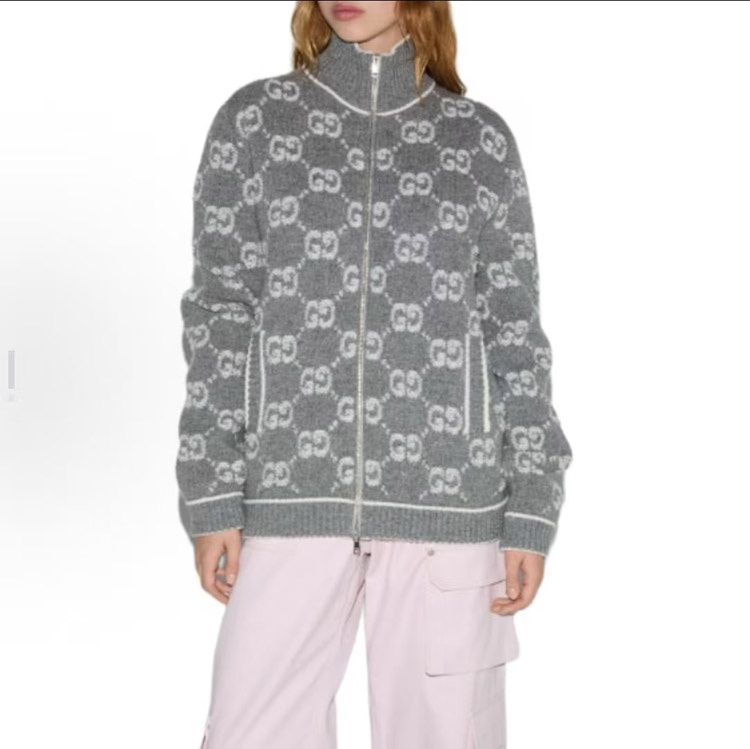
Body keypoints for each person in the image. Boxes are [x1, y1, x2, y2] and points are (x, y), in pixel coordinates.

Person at [175, 1, 573, 747]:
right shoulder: (254, 124)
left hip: (449, 507)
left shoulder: (479, 141)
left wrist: (533, 503)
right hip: (290, 494)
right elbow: (220, 314)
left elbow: (515, 329)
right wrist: (211, 487)